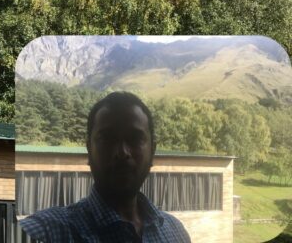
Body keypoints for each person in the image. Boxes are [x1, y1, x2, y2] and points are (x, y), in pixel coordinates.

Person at [20, 91, 191, 242]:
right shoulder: (48, 231)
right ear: (89, 150)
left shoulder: (176, 232)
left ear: (152, 151)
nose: (122, 152)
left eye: (135, 139)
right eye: (108, 139)